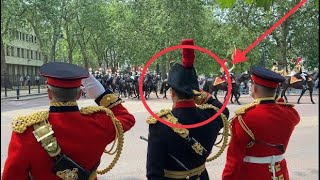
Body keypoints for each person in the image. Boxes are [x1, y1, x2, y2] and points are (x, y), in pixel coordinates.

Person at [2, 62, 135, 180]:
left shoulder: (26, 132)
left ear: (49, 93)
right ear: (78, 95)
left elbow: (11, 176)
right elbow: (127, 118)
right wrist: (100, 93)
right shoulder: (100, 123)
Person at [146, 39, 230, 179]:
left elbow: (154, 174)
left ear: (172, 93)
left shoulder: (160, 125)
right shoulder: (211, 117)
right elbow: (224, 111)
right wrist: (203, 96)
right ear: (196, 93)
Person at [222, 66, 300, 180]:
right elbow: (282, 105)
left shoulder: (243, 118)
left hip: (253, 174)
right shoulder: (290, 113)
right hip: (281, 174)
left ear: (254, 89)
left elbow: (234, 160)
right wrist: (273, 97)